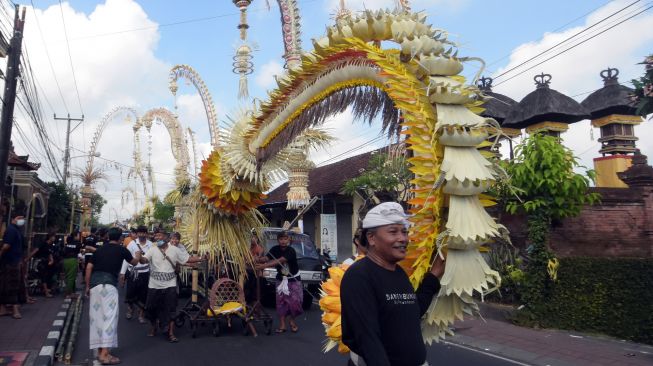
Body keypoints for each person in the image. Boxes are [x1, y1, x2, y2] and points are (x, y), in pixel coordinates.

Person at [340, 202, 445, 366]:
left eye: (404, 232)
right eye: (393, 232)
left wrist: (433, 277)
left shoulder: (399, 273)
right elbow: (368, 339)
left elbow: (410, 312)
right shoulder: (359, 276)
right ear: (371, 238)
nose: (403, 238)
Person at [85, 227, 142, 365]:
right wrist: (139, 255)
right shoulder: (122, 250)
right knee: (109, 319)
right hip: (109, 286)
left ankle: (100, 350)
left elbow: (88, 268)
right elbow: (134, 262)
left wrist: (87, 286)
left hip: (95, 286)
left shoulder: (100, 250)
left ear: (108, 237)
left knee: (97, 319)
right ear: (121, 238)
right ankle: (105, 355)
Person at [139, 230, 202, 342]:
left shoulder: (175, 250)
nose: (157, 238)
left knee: (171, 308)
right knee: (151, 308)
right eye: (156, 236)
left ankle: (171, 332)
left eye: (160, 235)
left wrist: (202, 258)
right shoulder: (152, 250)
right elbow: (144, 260)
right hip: (154, 285)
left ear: (166, 238)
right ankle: (154, 326)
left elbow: (187, 259)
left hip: (170, 284)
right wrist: (139, 257)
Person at [256, 231, 302, 333]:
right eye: (281, 239)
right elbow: (266, 258)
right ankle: (282, 325)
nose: (283, 241)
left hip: (293, 279)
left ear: (288, 240)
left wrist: (264, 266)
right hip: (280, 279)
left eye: (285, 239)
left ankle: (292, 320)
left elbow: (280, 260)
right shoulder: (274, 249)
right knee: (281, 303)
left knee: (296, 302)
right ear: (278, 240)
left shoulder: (291, 251)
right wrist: (258, 259)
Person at [120, 225, 152, 323]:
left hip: (145, 273)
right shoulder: (132, 244)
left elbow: (152, 260)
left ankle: (141, 314)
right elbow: (127, 259)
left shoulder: (151, 245)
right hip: (132, 272)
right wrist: (122, 273)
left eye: (143, 232)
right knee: (130, 293)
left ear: (146, 234)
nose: (141, 234)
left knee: (143, 294)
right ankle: (130, 309)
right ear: (137, 234)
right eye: (140, 233)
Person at [0, 211, 27, 318]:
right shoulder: (12, 230)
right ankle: (9, 309)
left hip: (12, 262)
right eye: (19, 217)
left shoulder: (14, 230)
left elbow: (7, 246)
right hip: (10, 262)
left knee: (10, 285)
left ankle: (10, 309)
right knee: (9, 285)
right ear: (13, 219)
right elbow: (6, 246)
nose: (21, 220)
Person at [24, 233, 56, 298]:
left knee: (48, 275)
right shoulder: (43, 243)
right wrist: (27, 258)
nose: (54, 238)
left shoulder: (50, 245)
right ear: (50, 237)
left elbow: (50, 254)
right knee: (43, 276)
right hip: (40, 262)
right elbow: (35, 251)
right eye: (53, 236)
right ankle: (46, 292)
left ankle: (45, 289)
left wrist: (51, 260)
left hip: (46, 263)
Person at [62, 231, 83, 297]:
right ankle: (68, 293)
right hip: (72, 260)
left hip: (65, 260)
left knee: (67, 276)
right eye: (78, 235)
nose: (79, 237)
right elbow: (80, 250)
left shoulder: (67, 243)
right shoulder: (78, 243)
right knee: (71, 277)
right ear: (75, 236)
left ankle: (72, 291)